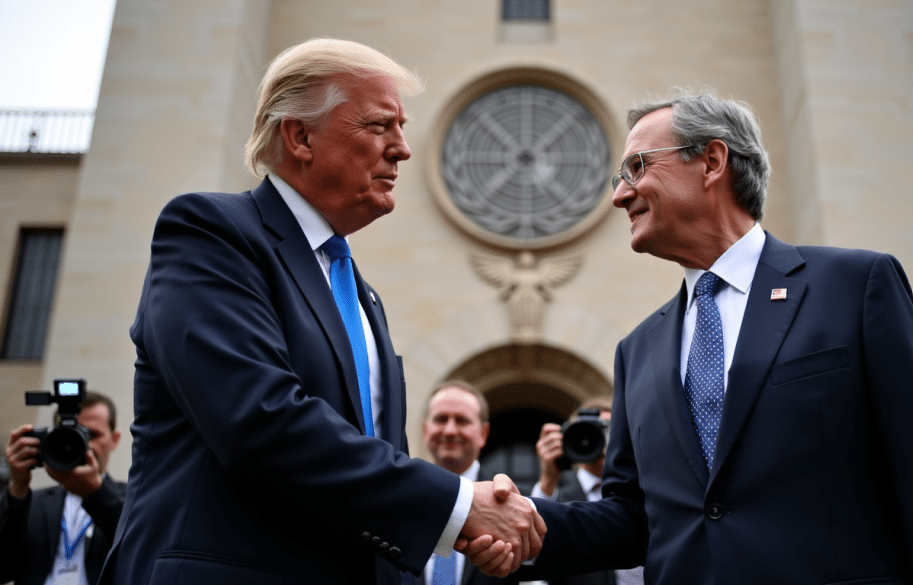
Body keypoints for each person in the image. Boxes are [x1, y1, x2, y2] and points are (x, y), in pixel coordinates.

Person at [466, 89, 913, 584]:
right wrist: (519, 523)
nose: (620, 196)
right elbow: (632, 519)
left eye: (636, 167)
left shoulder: (855, 288)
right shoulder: (639, 351)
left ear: (712, 163)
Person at [99, 38, 543, 585]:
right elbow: (260, 421)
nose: (403, 149)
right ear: (300, 136)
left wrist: (467, 532)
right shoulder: (210, 233)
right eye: (380, 126)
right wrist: (456, 507)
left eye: (401, 128)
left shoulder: (359, 291)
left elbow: (368, 460)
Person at [0, 391, 125, 585]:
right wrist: (17, 487)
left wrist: (96, 494)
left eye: (92, 434)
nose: (83, 445)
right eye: (71, 435)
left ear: (115, 439)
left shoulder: (133, 499)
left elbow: (145, 549)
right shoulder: (28, 502)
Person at [416, 381, 520, 585]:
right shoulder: (403, 500)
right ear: (425, 429)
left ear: (483, 434)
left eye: (462, 420)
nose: (450, 430)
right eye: (441, 419)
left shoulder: (514, 504)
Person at [531, 397, 642, 585]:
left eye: (611, 430)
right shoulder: (557, 498)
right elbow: (534, 561)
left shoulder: (645, 493)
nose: (605, 440)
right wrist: (548, 479)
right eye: (596, 431)